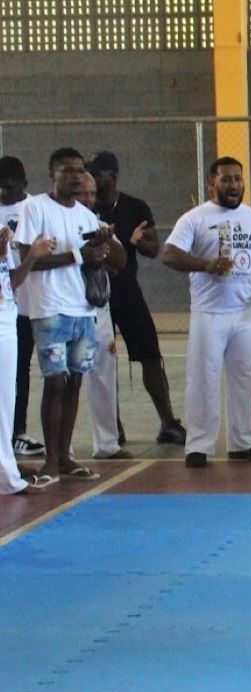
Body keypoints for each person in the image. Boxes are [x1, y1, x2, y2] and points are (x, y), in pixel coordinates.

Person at [160, 156, 251, 469]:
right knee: (203, 379)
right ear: (211, 183)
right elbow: (169, 253)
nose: (233, 185)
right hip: (209, 314)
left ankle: (243, 442)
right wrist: (205, 265)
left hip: (245, 313)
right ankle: (199, 445)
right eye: (226, 179)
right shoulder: (194, 218)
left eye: (237, 179)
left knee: (245, 377)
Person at [13, 147, 124, 484]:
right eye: (67, 170)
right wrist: (79, 254)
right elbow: (25, 260)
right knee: (56, 380)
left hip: (83, 308)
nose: (75, 176)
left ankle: (64, 458)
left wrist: (107, 243)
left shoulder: (86, 216)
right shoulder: (35, 208)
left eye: (79, 170)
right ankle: (50, 459)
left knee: (75, 380)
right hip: (49, 308)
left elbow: (115, 261)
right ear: (52, 173)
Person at [87, 150, 186, 446]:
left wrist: (140, 241)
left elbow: (154, 248)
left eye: (97, 173)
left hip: (127, 291)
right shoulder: (84, 209)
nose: (91, 178)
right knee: (102, 361)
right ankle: (111, 427)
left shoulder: (135, 207)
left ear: (113, 177)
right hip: (93, 295)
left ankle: (168, 421)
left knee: (151, 356)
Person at [75, 172, 131, 460]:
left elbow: (121, 261)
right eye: (83, 193)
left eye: (92, 194)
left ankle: (107, 443)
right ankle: (63, 450)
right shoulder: (58, 222)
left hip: (100, 311)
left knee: (104, 376)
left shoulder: (98, 225)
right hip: (70, 313)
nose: (88, 199)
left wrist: (108, 243)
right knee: (66, 382)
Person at [0, 206, 55, 493]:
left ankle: (6, 469)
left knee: (5, 402)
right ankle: (7, 475)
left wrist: (32, 255)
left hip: (6, 319)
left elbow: (11, 281)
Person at [0, 156, 45, 459]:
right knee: (12, 371)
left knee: (22, 369)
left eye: (9, 187)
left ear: (23, 183)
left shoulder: (34, 208)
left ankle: (18, 432)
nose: (3, 193)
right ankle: (12, 433)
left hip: (33, 298)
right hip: (6, 298)